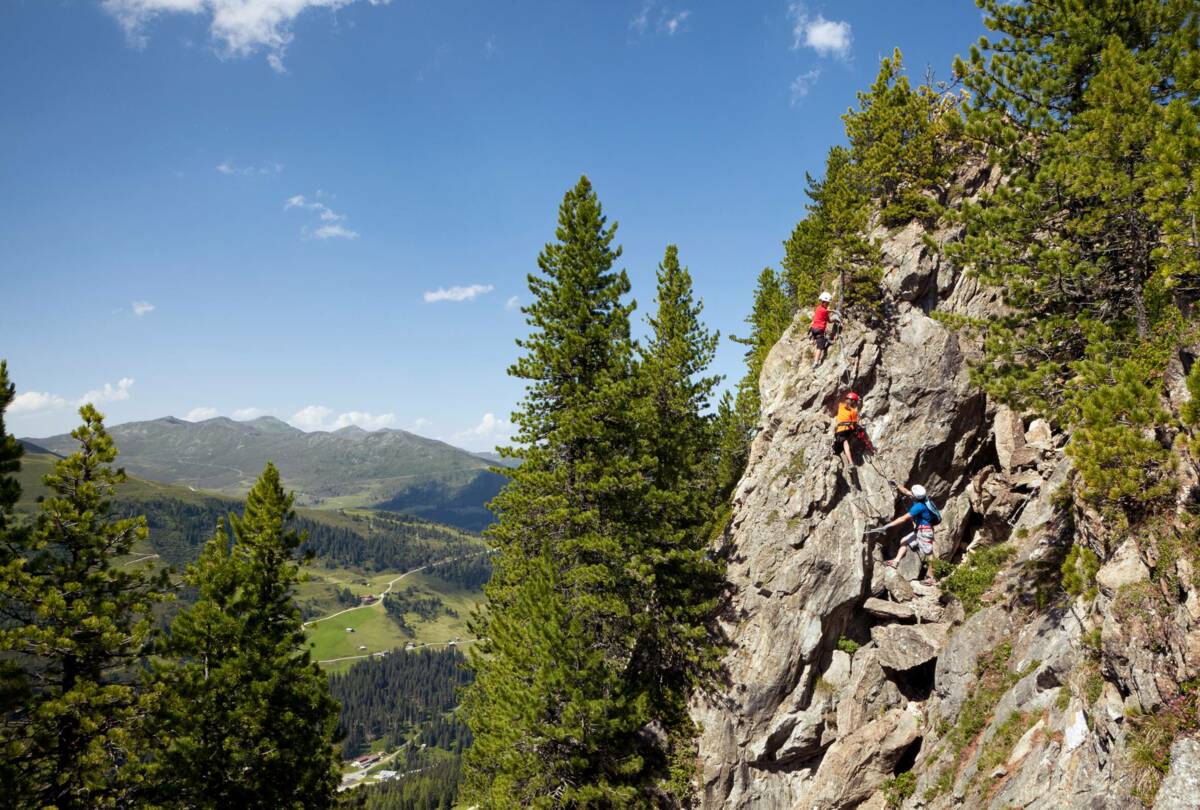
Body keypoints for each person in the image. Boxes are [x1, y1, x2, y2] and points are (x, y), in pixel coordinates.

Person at [879, 483, 937, 575]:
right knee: (904, 540)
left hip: (924, 531)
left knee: (929, 554)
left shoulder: (919, 506)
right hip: (920, 530)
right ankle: (895, 562)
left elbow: (903, 518)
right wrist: (897, 485)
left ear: (915, 496)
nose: (911, 493)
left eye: (912, 493)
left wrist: (887, 526)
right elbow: (906, 491)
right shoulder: (923, 498)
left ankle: (932, 577)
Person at [831, 391, 862, 466]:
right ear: (853, 402)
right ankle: (850, 462)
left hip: (841, 430)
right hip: (848, 430)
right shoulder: (853, 411)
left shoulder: (841, 406)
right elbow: (854, 423)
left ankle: (851, 462)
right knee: (844, 443)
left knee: (844, 442)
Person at [810, 292, 834, 368]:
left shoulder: (818, 308)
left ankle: (822, 340)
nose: (827, 304)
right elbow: (829, 320)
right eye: (827, 303)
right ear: (824, 302)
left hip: (813, 329)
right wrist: (835, 319)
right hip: (819, 330)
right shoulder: (825, 311)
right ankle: (816, 363)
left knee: (818, 341)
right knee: (820, 348)